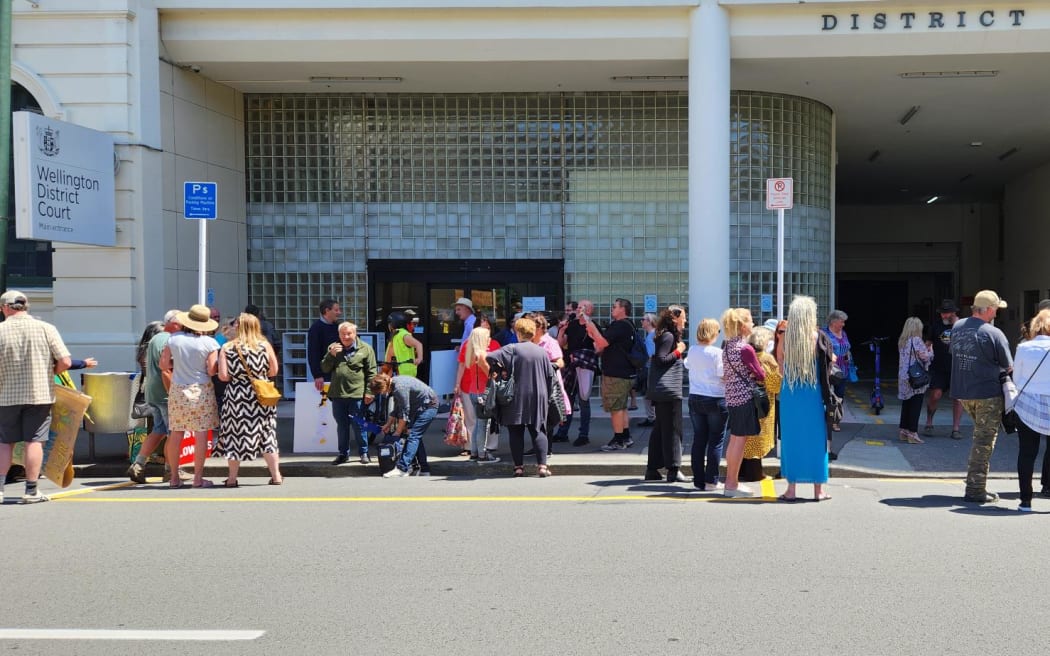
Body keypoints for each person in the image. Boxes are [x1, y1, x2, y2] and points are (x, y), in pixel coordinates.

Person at [0, 290, 71, 504]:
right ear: (26, 306)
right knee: (34, 441)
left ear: (4, 308)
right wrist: (50, 373)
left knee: (4, 442)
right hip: (39, 394)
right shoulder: (46, 328)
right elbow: (65, 362)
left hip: (5, 395)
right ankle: (31, 491)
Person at [951, 290, 1013, 504]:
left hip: (964, 392)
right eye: (996, 309)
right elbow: (1008, 365)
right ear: (987, 310)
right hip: (987, 393)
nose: (997, 312)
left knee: (981, 436)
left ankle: (976, 484)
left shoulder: (957, 327)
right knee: (984, 441)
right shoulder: (994, 333)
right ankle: (975, 489)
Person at [779, 295, 837, 503]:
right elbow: (829, 364)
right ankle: (818, 490)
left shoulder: (786, 337)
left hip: (791, 392)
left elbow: (780, 367)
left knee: (791, 439)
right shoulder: (818, 337)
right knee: (816, 440)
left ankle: (791, 489)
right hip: (812, 393)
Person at [217, 313, 283, 486]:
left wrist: (239, 376)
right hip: (261, 396)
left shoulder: (228, 347)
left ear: (239, 327)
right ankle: (276, 476)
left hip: (237, 396)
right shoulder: (265, 345)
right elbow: (274, 371)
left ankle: (232, 478)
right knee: (267, 435)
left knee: (234, 436)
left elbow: (223, 376)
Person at [127, 311, 193, 484]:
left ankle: (138, 464)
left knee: (159, 430)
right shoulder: (169, 340)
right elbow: (168, 369)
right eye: (181, 323)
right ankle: (172, 470)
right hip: (165, 393)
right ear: (173, 323)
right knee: (173, 432)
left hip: (153, 392)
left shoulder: (156, 338)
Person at [483, 317, 554, 477]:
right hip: (538, 394)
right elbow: (550, 375)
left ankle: (518, 467)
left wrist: (502, 369)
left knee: (516, 432)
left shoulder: (511, 348)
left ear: (518, 332)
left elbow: (490, 357)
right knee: (538, 430)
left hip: (516, 395)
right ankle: (542, 466)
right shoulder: (541, 351)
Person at [161, 304, 220, 489]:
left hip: (178, 388)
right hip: (201, 388)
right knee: (201, 433)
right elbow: (212, 369)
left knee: (176, 432)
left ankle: (174, 477)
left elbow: (163, 365)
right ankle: (198, 478)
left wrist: (179, 364)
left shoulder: (174, 339)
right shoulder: (210, 343)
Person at [720, 307, 764, 497]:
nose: (753, 323)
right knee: (740, 440)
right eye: (751, 320)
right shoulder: (745, 348)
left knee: (735, 440)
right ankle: (731, 484)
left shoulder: (727, 346)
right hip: (745, 398)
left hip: (732, 397)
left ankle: (731, 482)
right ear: (743, 325)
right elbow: (760, 374)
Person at [643, 305, 689, 483]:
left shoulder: (663, 335)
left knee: (660, 430)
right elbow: (661, 359)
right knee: (673, 430)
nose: (685, 321)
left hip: (661, 391)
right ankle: (673, 469)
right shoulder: (669, 337)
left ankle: (652, 469)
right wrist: (679, 351)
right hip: (668, 391)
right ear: (675, 318)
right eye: (683, 317)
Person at [322, 321, 377, 466]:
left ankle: (364, 453)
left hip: (357, 394)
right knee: (342, 426)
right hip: (338, 394)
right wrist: (331, 355)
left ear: (355, 334)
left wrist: (370, 392)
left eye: (349, 334)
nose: (346, 337)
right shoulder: (333, 348)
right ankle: (343, 454)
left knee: (359, 425)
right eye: (343, 334)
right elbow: (325, 368)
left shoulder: (366, 349)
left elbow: (372, 372)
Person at [1012, 309, 1050, 511]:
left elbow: (1017, 380)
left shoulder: (1024, 348)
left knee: (1027, 453)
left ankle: (1025, 500)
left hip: (1028, 406)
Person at [370, 372, 438, 478]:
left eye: (380, 392)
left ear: (383, 386)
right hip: (420, 406)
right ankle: (424, 470)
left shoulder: (399, 387)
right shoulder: (395, 385)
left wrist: (397, 432)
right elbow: (397, 408)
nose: (382, 394)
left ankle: (402, 468)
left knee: (413, 436)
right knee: (415, 437)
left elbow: (404, 412)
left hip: (428, 406)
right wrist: (387, 425)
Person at [686, 318, 727, 492]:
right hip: (715, 397)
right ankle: (711, 480)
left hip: (695, 396)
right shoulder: (717, 353)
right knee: (715, 441)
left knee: (699, 440)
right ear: (712, 333)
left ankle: (698, 480)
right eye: (718, 331)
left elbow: (688, 366)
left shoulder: (693, 350)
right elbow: (723, 375)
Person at [454, 321, 501, 464]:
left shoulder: (470, 351)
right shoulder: (481, 355)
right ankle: (482, 454)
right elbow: (491, 374)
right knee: (483, 425)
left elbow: (463, 366)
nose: (489, 339)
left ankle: (474, 452)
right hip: (483, 392)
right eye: (486, 336)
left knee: (476, 424)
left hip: (473, 391)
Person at [554, 299, 597, 446]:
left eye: (582, 307)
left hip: (584, 366)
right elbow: (560, 343)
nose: (578, 310)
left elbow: (599, 347)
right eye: (578, 307)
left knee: (584, 401)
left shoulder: (593, 326)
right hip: (570, 366)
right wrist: (561, 330)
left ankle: (583, 434)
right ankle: (562, 432)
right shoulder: (571, 325)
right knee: (568, 400)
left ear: (589, 310)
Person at [526, 312, 569, 459]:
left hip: (548, 385)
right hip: (532, 384)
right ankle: (538, 445)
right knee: (535, 417)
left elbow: (560, 362)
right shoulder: (529, 342)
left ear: (538, 327)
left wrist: (545, 366)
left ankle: (546, 447)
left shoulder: (550, 342)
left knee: (548, 417)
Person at [741, 326, 781, 481]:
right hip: (762, 402)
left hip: (744, 400)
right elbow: (774, 383)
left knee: (745, 437)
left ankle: (742, 470)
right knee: (758, 437)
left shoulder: (743, 355)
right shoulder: (766, 358)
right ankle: (754, 473)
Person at [598, 298, 638, 452]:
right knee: (621, 407)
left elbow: (602, 343)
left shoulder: (620, 325)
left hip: (616, 373)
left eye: (614, 307)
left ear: (623, 309)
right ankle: (626, 437)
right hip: (625, 372)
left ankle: (618, 439)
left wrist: (590, 326)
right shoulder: (629, 325)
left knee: (616, 408)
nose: (611, 309)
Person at [923, 299, 963, 439]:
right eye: (942, 313)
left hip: (957, 368)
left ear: (954, 313)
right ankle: (929, 422)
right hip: (938, 367)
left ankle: (956, 429)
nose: (944, 316)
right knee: (935, 395)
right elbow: (928, 343)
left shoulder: (962, 326)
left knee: (958, 398)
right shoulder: (935, 326)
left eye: (947, 313)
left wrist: (957, 325)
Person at [896, 317, 933, 445]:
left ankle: (903, 430)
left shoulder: (902, 341)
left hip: (904, 376)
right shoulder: (917, 340)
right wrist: (931, 351)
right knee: (915, 405)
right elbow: (925, 357)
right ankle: (913, 432)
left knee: (906, 404)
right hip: (915, 377)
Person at [820, 309, 851, 432]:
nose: (843, 324)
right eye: (841, 322)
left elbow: (847, 346)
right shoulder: (824, 332)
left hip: (842, 370)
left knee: (839, 396)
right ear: (833, 322)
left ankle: (835, 420)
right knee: (827, 395)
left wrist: (847, 355)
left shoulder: (843, 333)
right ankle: (827, 419)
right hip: (829, 369)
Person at [307, 299, 342, 392]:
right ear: (327, 311)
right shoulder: (316, 328)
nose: (339, 312)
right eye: (336, 310)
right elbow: (313, 353)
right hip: (325, 373)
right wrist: (317, 375)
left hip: (339, 372)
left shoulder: (338, 326)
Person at [385, 311, 423, 377]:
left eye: (389, 323)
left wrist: (419, 359)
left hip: (406, 375)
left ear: (393, 324)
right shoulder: (395, 335)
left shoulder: (403, 335)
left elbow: (418, 344)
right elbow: (390, 355)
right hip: (402, 374)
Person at [636, 313, 657, 427]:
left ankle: (652, 417)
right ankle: (652, 417)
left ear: (649, 322)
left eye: (643, 319)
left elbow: (650, 354)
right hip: (653, 368)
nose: (641, 321)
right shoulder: (654, 334)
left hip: (650, 368)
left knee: (648, 394)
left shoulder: (650, 336)